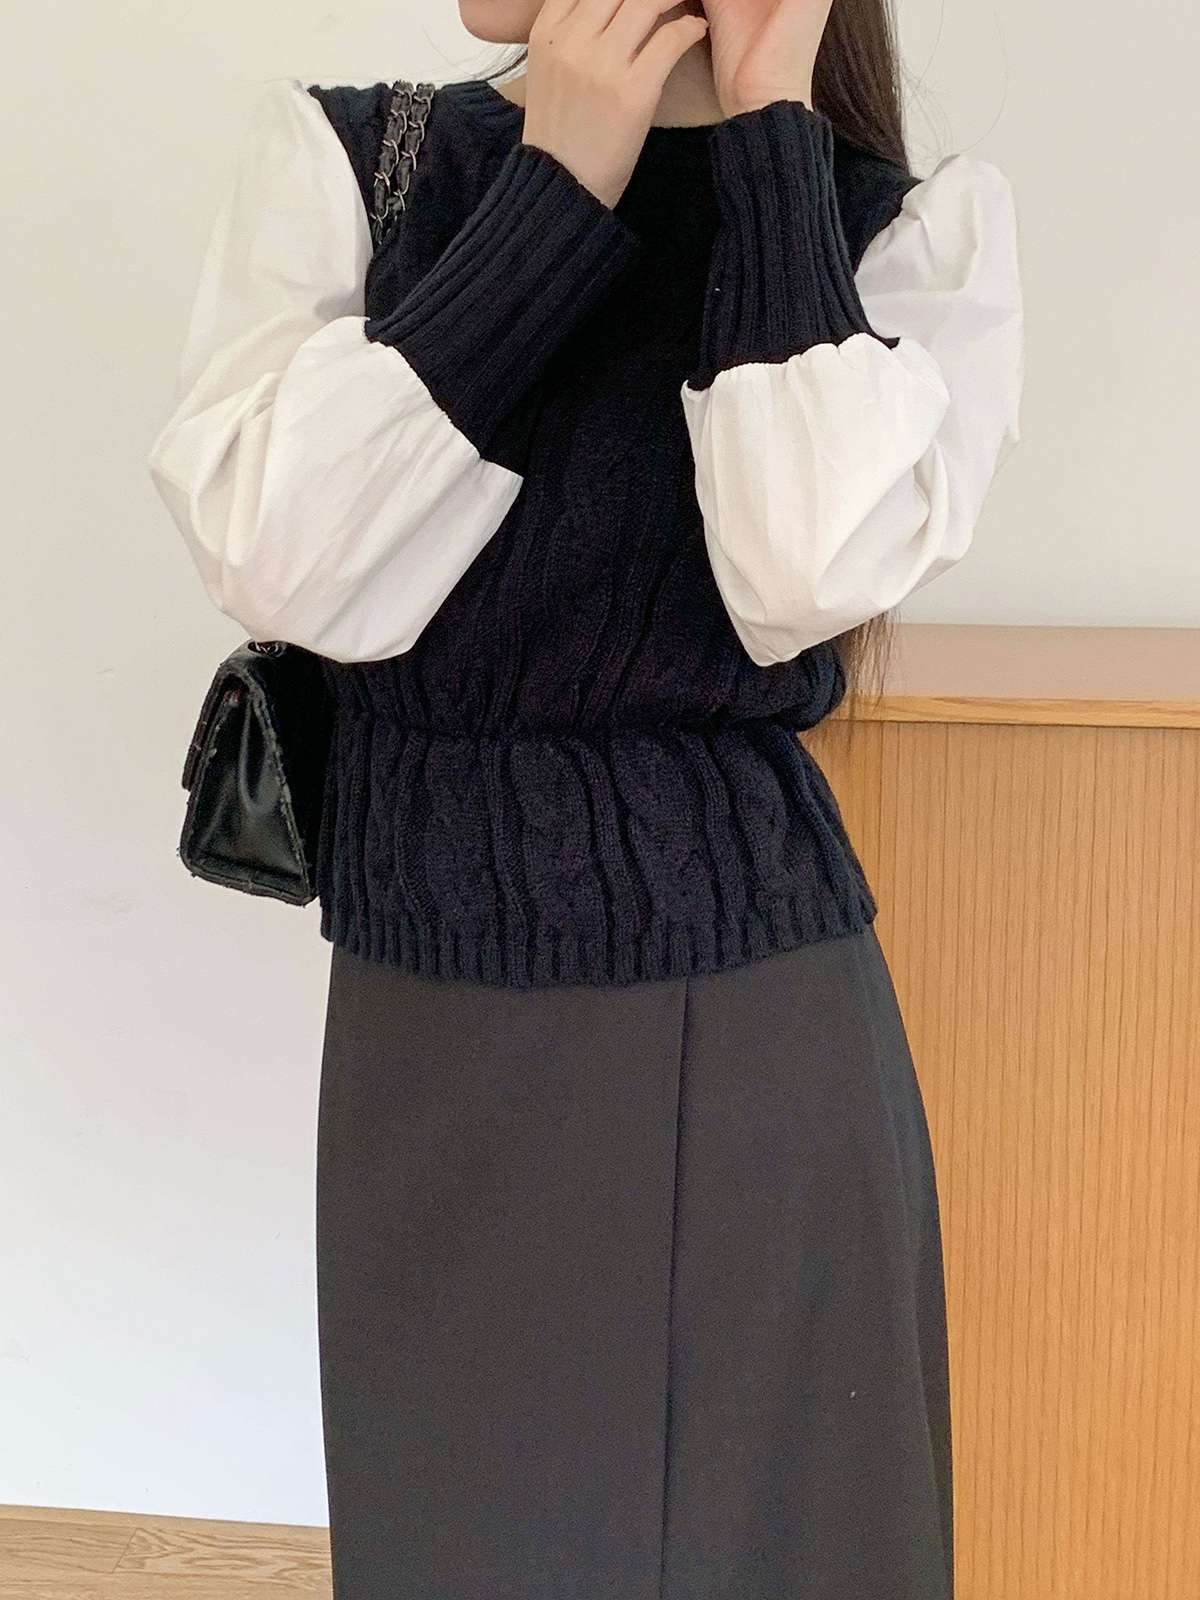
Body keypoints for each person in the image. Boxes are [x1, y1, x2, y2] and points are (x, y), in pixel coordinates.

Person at [146, 0, 1023, 1594]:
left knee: (776, 1552)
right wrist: (553, 193)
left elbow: (799, 571)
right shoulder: (356, 163)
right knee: (460, 1543)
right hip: (430, 1006)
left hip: (757, 1022)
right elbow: (286, 562)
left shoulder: (897, 228)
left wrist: (771, 140)